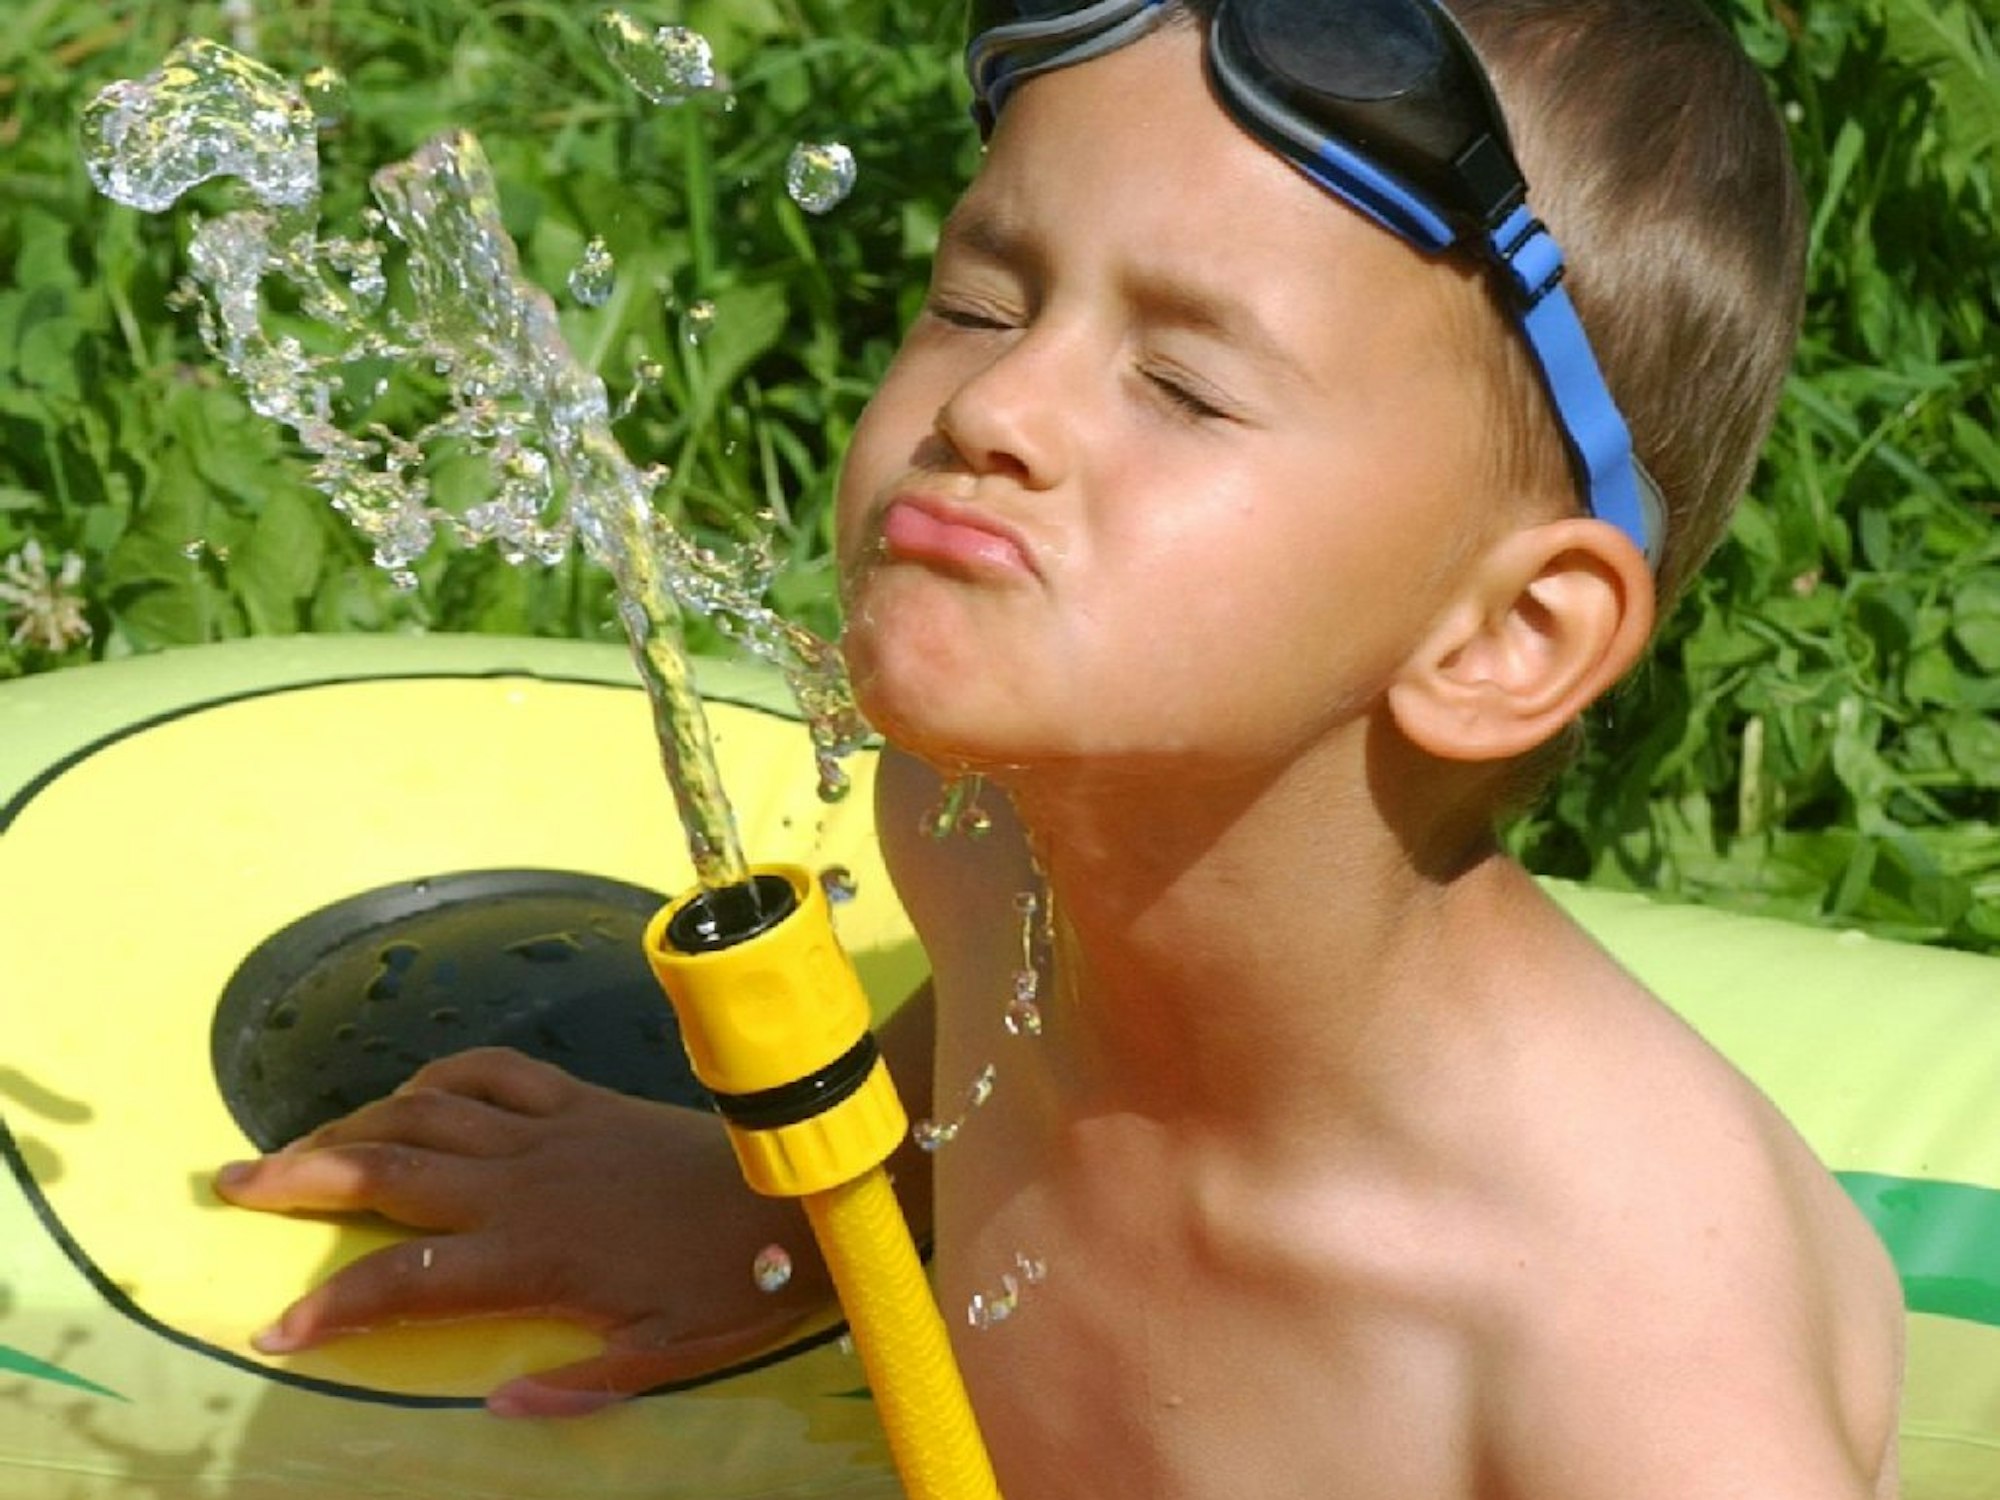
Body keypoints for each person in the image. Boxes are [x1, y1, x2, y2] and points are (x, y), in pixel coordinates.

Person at [216, 0, 1909, 1492]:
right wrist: (770, 1213)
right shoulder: (974, 832)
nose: (994, 409)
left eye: (1183, 387)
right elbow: (984, 1028)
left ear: (1502, 638)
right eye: (980, 302)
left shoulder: (1612, 1349)